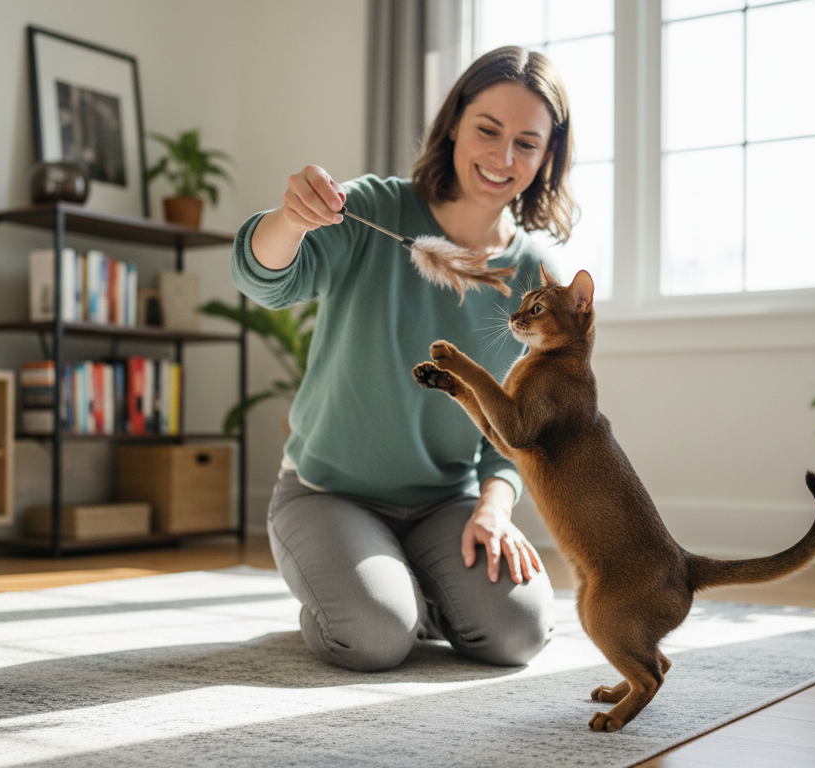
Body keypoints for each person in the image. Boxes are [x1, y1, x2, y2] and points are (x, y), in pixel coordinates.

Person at [230, 46, 576, 672]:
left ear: (548, 155)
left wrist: (493, 507)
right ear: (453, 126)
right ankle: (370, 597)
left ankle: (408, 588)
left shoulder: (533, 276)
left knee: (518, 633)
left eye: (527, 143)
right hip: (326, 495)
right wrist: (288, 219)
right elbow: (267, 281)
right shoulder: (375, 210)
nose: (502, 158)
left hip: (445, 504)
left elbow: (519, 431)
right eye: (487, 131)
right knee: (374, 636)